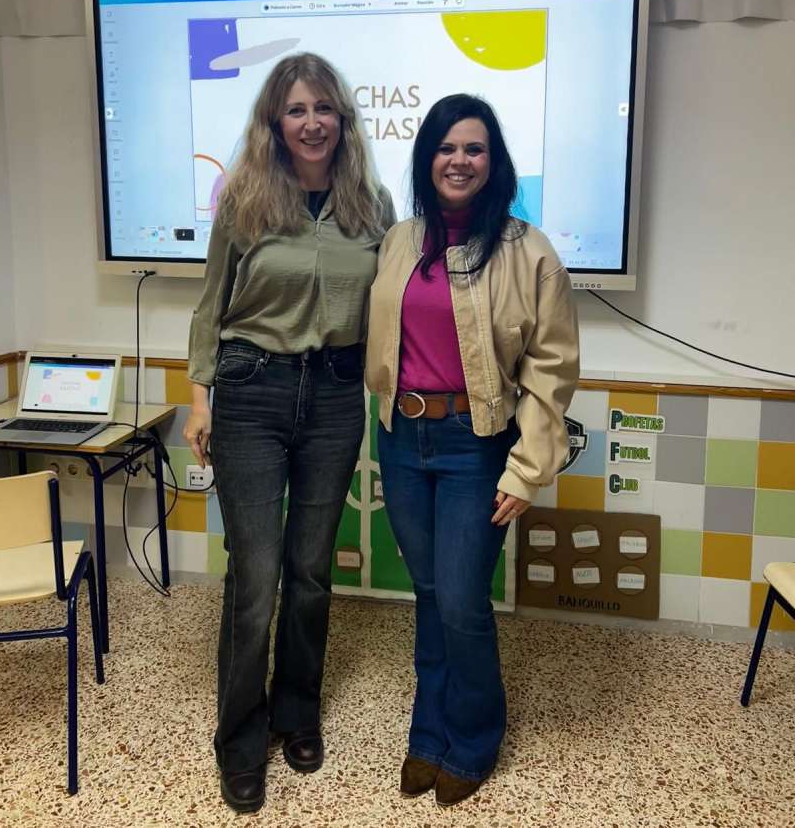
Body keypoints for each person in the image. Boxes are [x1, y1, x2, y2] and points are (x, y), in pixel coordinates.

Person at [185, 52, 395, 814]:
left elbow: (392, 306)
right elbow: (210, 306)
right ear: (276, 121)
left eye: (324, 108)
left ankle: (296, 712)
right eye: (297, 109)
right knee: (255, 577)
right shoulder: (244, 199)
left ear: (343, 118)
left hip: (335, 395)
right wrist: (200, 400)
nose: (312, 123)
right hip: (251, 390)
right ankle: (240, 739)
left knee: (309, 569)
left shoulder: (372, 205)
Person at [365, 93, 579, 807]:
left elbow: (551, 369)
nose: (459, 161)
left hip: (475, 444)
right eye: (446, 147)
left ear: (494, 161)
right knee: (429, 593)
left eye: (474, 148)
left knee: (461, 599)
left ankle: (475, 738)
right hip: (401, 437)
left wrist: (528, 467)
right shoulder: (399, 241)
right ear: (427, 158)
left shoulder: (529, 250)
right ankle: (428, 736)